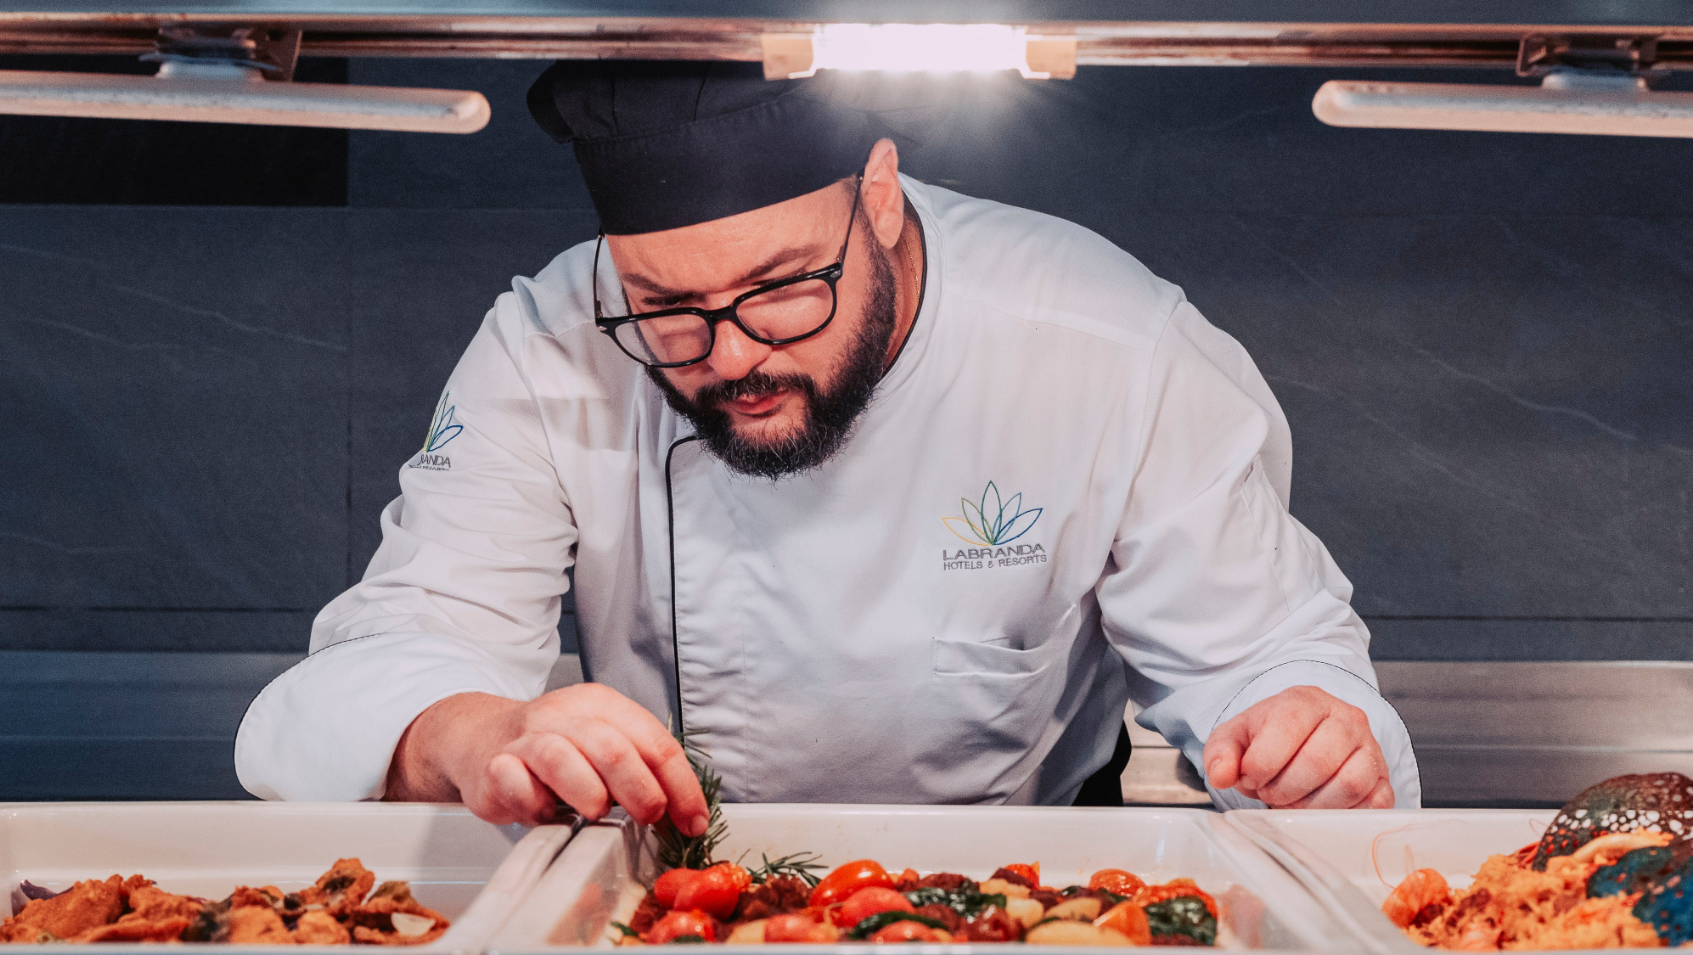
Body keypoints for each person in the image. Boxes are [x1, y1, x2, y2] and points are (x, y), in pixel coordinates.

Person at [236, 61, 1419, 833]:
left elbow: (1267, 656)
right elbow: (393, 652)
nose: (731, 354)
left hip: (1020, 901)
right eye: (666, 310)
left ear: (885, 195)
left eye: (782, 288)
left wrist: (1307, 732)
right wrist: (476, 731)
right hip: (666, 892)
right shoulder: (554, 338)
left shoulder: (1108, 340)